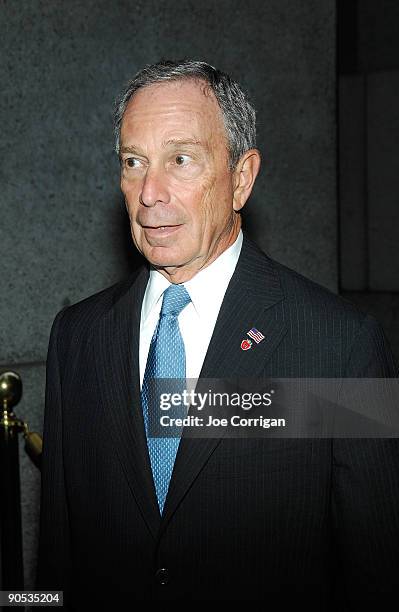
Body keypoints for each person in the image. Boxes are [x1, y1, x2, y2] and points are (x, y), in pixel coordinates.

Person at [36, 60, 399, 608]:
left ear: (241, 179)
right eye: (134, 162)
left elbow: (378, 573)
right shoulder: (77, 338)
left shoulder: (341, 347)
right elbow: (56, 563)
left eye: (180, 160)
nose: (150, 192)